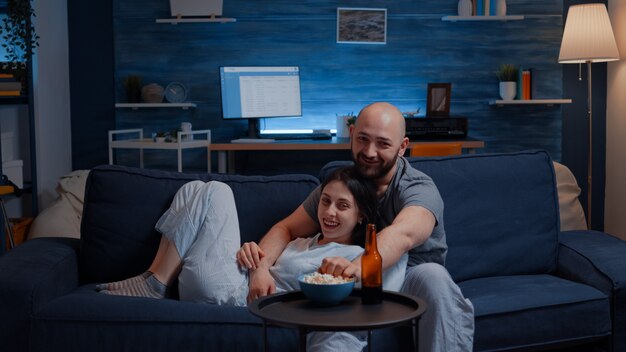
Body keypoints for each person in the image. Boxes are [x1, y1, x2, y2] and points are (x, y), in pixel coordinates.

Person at [240, 102, 475, 351]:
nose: (370, 152)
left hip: (405, 279)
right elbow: (285, 228)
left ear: (402, 147)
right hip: (358, 286)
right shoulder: (343, 185)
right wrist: (261, 267)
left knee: (433, 275)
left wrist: (355, 268)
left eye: (383, 144)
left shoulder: (418, 188)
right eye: (363, 139)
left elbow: (402, 234)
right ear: (351, 135)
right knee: (332, 331)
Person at [97, 166, 407, 351]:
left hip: (235, 299)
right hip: (238, 280)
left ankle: (155, 284)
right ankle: (156, 278)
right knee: (197, 188)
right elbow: (267, 260)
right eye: (325, 202)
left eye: (342, 206)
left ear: (360, 215)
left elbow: (386, 287)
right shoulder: (301, 241)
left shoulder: (357, 257)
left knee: (216, 190)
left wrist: (355, 273)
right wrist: (255, 257)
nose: (329, 212)